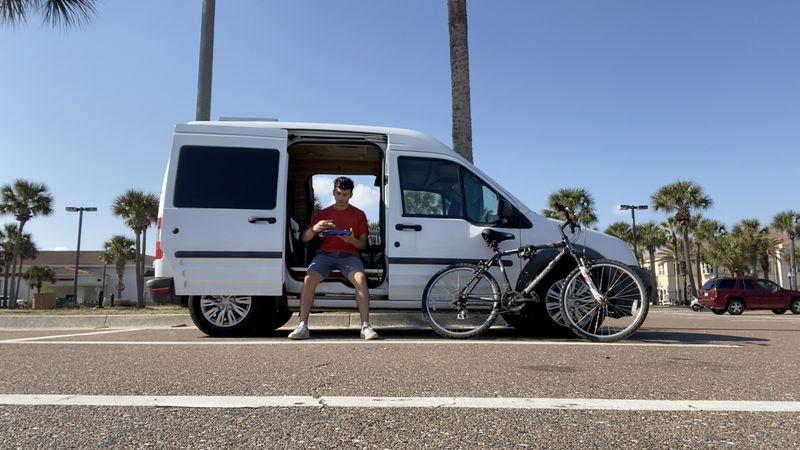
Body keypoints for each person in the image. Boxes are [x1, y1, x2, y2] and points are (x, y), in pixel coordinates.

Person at [288, 176, 378, 340]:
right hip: (325, 255)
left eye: (345, 194)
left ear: (351, 194)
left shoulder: (359, 215)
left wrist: (352, 240)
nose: (341, 198)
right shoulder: (323, 213)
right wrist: (315, 228)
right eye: (338, 193)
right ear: (333, 193)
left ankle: (365, 326)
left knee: (360, 278)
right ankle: (303, 326)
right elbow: (305, 238)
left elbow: (364, 245)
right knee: (309, 279)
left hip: (349, 256)